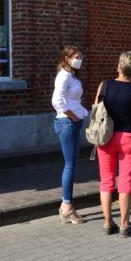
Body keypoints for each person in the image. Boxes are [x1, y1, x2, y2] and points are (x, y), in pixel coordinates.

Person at [95, 52, 131, 237]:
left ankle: (108, 223)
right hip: (128, 138)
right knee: (126, 181)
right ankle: (125, 225)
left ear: (119, 66)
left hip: (106, 137)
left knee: (106, 180)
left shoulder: (104, 85)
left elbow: (97, 113)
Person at [51, 45, 89, 224]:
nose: (79, 59)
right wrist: (73, 117)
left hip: (72, 122)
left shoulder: (72, 75)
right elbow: (56, 100)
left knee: (72, 164)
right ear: (67, 58)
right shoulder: (64, 75)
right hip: (67, 123)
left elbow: (73, 100)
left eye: (81, 56)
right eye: (76, 56)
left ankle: (65, 205)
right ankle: (67, 206)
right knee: (70, 165)